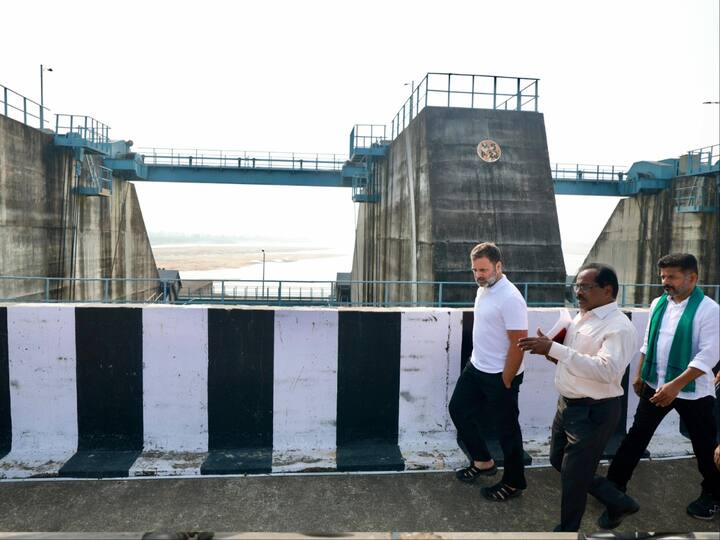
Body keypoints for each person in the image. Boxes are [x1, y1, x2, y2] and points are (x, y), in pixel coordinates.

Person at [588, 254, 720, 527]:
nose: (665, 282)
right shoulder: (659, 303)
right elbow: (649, 342)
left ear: (692, 278)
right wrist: (639, 374)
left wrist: (675, 385)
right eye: (662, 277)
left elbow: (708, 355)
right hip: (655, 383)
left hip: (693, 391)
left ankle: (713, 495)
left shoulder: (710, 310)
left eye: (671, 277)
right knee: (635, 438)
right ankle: (615, 490)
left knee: (704, 447)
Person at [518, 263, 637, 532]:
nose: (578, 292)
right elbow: (574, 359)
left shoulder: (619, 327)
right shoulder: (582, 316)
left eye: (585, 286)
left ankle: (567, 530)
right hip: (568, 406)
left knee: (573, 478)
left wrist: (556, 350)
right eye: (577, 286)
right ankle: (618, 501)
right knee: (558, 460)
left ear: (607, 290)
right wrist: (549, 350)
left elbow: (607, 371)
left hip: (594, 411)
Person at [448, 242, 528, 502]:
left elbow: (519, 344)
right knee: (458, 410)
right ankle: (483, 461)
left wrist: (506, 378)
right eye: (474, 270)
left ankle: (514, 482)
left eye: (483, 269)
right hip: (476, 367)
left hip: (500, 375)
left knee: (507, 430)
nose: (479, 275)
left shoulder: (511, 298)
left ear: (498, 266)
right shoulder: (484, 289)